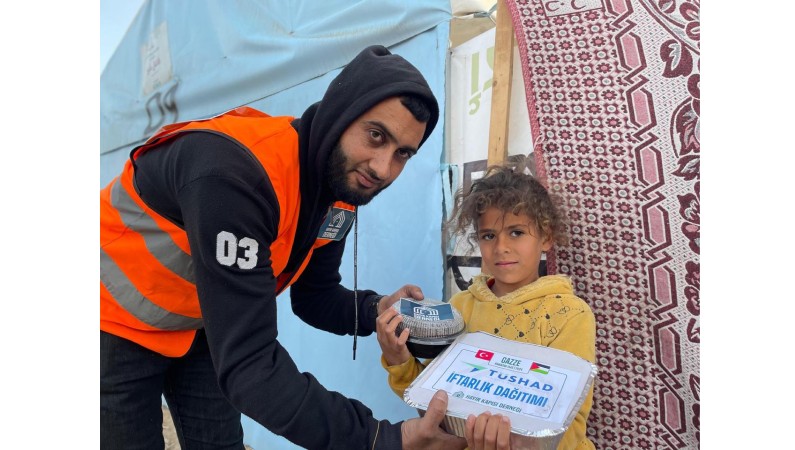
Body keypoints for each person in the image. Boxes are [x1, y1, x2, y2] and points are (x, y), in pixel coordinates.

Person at [100, 45, 467, 450]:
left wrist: (376, 310)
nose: (382, 168)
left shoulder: (339, 191)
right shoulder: (237, 177)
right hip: (113, 322)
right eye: (376, 136)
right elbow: (252, 369)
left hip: (198, 322)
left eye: (402, 154)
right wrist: (382, 438)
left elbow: (315, 297)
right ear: (340, 114)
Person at [376, 165, 597, 450]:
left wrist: (516, 443)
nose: (501, 247)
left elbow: (571, 422)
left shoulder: (570, 314)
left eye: (516, 232)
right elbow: (432, 404)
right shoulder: (459, 308)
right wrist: (399, 360)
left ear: (546, 237)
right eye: (489, 236)